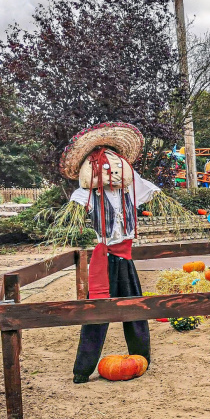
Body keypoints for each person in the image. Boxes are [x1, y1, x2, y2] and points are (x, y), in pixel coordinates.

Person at [59, 122, 159, 383]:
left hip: (126, 259)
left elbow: (152, 192)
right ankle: (82, 370)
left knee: (135, 309)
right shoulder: (87, 195)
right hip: (104, 260)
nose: (111, 170)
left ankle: (142, 357)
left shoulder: (130, 190)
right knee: (97, 313)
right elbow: (73, 210)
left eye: (115, 164)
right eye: (104, 165)